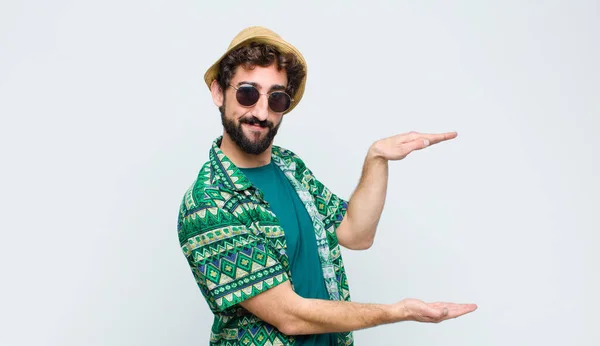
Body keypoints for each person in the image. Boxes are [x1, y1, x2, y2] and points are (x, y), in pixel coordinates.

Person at [176, 26, 477, 346]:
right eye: (248, 93)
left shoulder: (288, 166)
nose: (261, 112)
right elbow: (290, 316)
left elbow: (355, 234)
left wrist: (377, 158)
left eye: (276, 98)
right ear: (219, 92)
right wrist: (396, 312)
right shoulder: (208, 203)